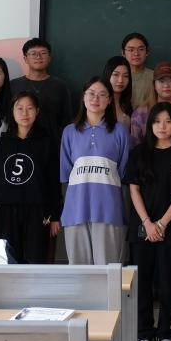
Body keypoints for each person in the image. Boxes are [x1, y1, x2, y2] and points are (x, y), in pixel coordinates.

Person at [124, 102, 171, 341]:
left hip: (170, 227)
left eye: (168, 121)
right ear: (149, 124)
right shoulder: (139, 153)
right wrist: (147, 223)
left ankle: (165, 331)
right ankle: (144, 331)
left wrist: (162, 224)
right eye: (156, 121)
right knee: (141, 281)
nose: (162, 126)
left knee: (167, 281)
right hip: (141, 226)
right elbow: (134, 189)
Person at [61, 77, 130, 265]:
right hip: (76, 210)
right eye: (91, 94)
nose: (95, 99)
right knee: (79, 272)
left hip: (109, 209)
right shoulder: (69, 132)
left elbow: (124, 172)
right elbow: (66, 173)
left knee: (108, 270)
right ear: (83, 97)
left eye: (102, 95)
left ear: (109, 99)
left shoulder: (120, 131)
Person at [0, 91, 61, 264]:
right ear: (12, 112)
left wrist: (55, 216)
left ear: (37, 111)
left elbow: (53, 182)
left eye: (29, 108)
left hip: (38, 212)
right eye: (19, 108)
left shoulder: (46, 142)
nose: (25, 113)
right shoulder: (3, 142)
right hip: (5, 211)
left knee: (36, 260)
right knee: (8, 261)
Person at [9, 37, 75, 143]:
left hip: (52, 145)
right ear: (25, 59)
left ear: (49, 58)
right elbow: (8, 119)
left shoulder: (60, 86)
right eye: (33, 53)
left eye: (43, 53)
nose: (38, 57)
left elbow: (67, 120)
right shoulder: (13, 85)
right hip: (20, 144)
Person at [122, 33, 156, 109]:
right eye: (131, 50)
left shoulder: (155, 76)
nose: (136, 53)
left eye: (141, 49)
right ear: (123, 53)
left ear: (147, 52)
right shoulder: (118, 78)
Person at [103, 56, 135, 130]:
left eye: (125, 76)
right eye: (116, 75)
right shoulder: (99, 103)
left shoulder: (128, 105)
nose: (120, 80)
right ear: (108, 75)